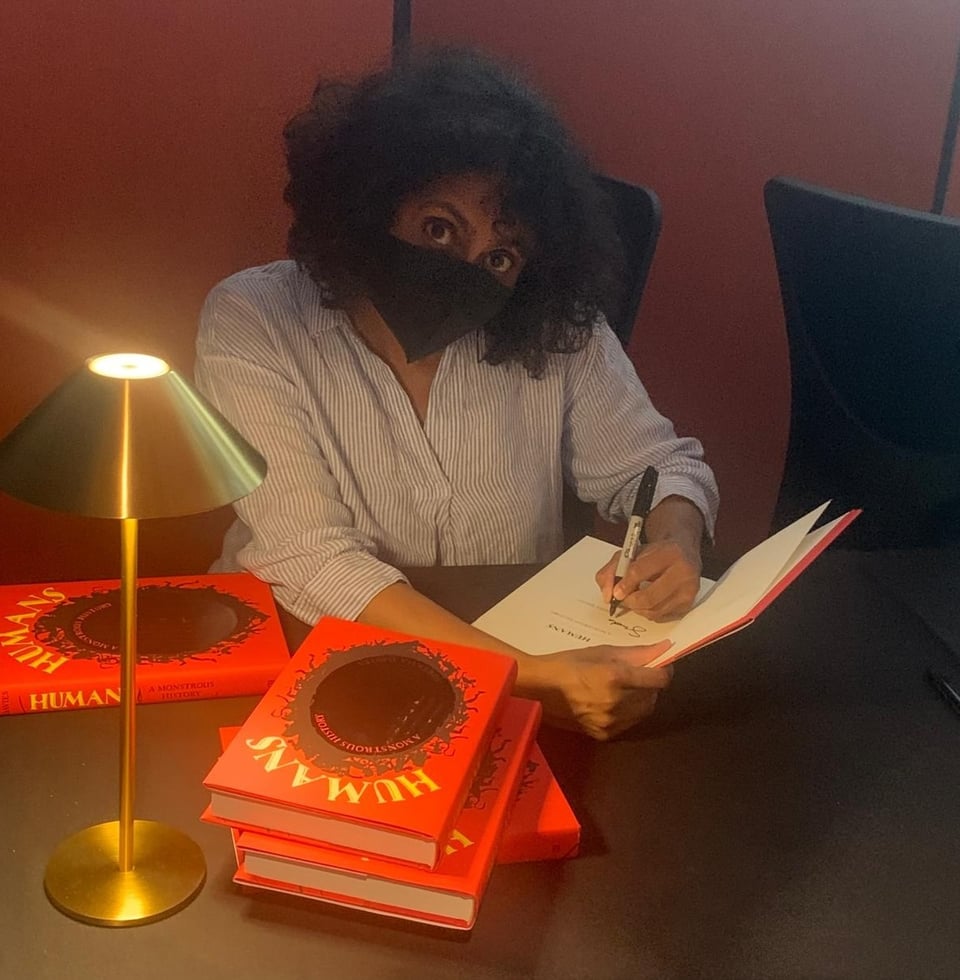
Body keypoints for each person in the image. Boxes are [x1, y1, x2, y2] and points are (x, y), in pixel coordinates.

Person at [194, 47, 719, 741]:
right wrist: (529, 671)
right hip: (307, 661)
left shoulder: (556, 326)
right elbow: (309, 558)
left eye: (499, 255)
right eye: (438, 229)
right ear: (372, 204)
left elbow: (658, 466)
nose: (465, 269)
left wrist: (676, 538)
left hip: (525, 665)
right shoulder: (254, 319)